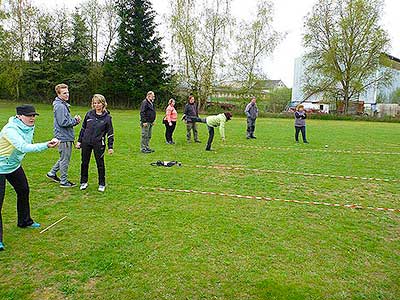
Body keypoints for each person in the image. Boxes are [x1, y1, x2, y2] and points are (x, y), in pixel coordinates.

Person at [0, 105, 60, 251]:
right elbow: (23, 147)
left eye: (34, 115)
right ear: (19, 116)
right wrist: (47, 145)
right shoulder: (10, 130)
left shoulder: (28, 127)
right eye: (29, 116)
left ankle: (24, 221)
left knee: (24, 190)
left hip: (13, 166)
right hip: (0, 167)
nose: (32, 118)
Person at [76, 94, 114, 192]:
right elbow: (83, 128)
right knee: (84, 163)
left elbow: (110, 133)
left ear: (103, 104)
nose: (96, 105)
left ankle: (102, 183)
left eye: (98, 103)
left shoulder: (107, 118)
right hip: (86, 142)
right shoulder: (89, 114)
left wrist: (110, 147)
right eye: (95, 103)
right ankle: (83, 182)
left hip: (99, 144)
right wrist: (79, 141)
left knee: (100, 164)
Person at [47, 83, 81, 187]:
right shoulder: (60, 106)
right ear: (58, 94)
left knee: (63, 157)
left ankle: (52, 173)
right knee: (65, 160)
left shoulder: (61, 104)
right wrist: (75, 120)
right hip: (63, 137)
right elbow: (63, 122)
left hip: (64, 136)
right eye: (64, 93)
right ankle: (64, 181)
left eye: (67, 92)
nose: (67, 95)